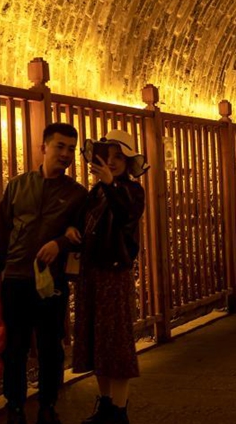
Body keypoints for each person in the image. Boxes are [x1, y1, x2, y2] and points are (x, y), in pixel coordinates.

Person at [0, 123, 88, 424]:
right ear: (43, 148)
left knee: (49, 346)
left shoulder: (77, 194)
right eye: (60, 146)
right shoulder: (17, 185)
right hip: (16, 277)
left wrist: (61, 242)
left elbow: (83, 234)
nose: (66, 154)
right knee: (14, 346)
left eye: (71, 148)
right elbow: (3, 231)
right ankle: (14, 405)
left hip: (51, 280)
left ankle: (48, 404)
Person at [68, 130, 148, 424]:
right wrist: (69, 231)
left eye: (119, 156)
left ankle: (119, 410)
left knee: (116, 341)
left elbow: (127, 212)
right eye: (108, 155)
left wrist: (110, 183)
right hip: (92, 272)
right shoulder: (97, 191)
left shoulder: (131, 190)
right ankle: (104, 405)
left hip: (115, 272)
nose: (112, 162)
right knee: (96, 339)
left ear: (129, 162)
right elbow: (83, 221)